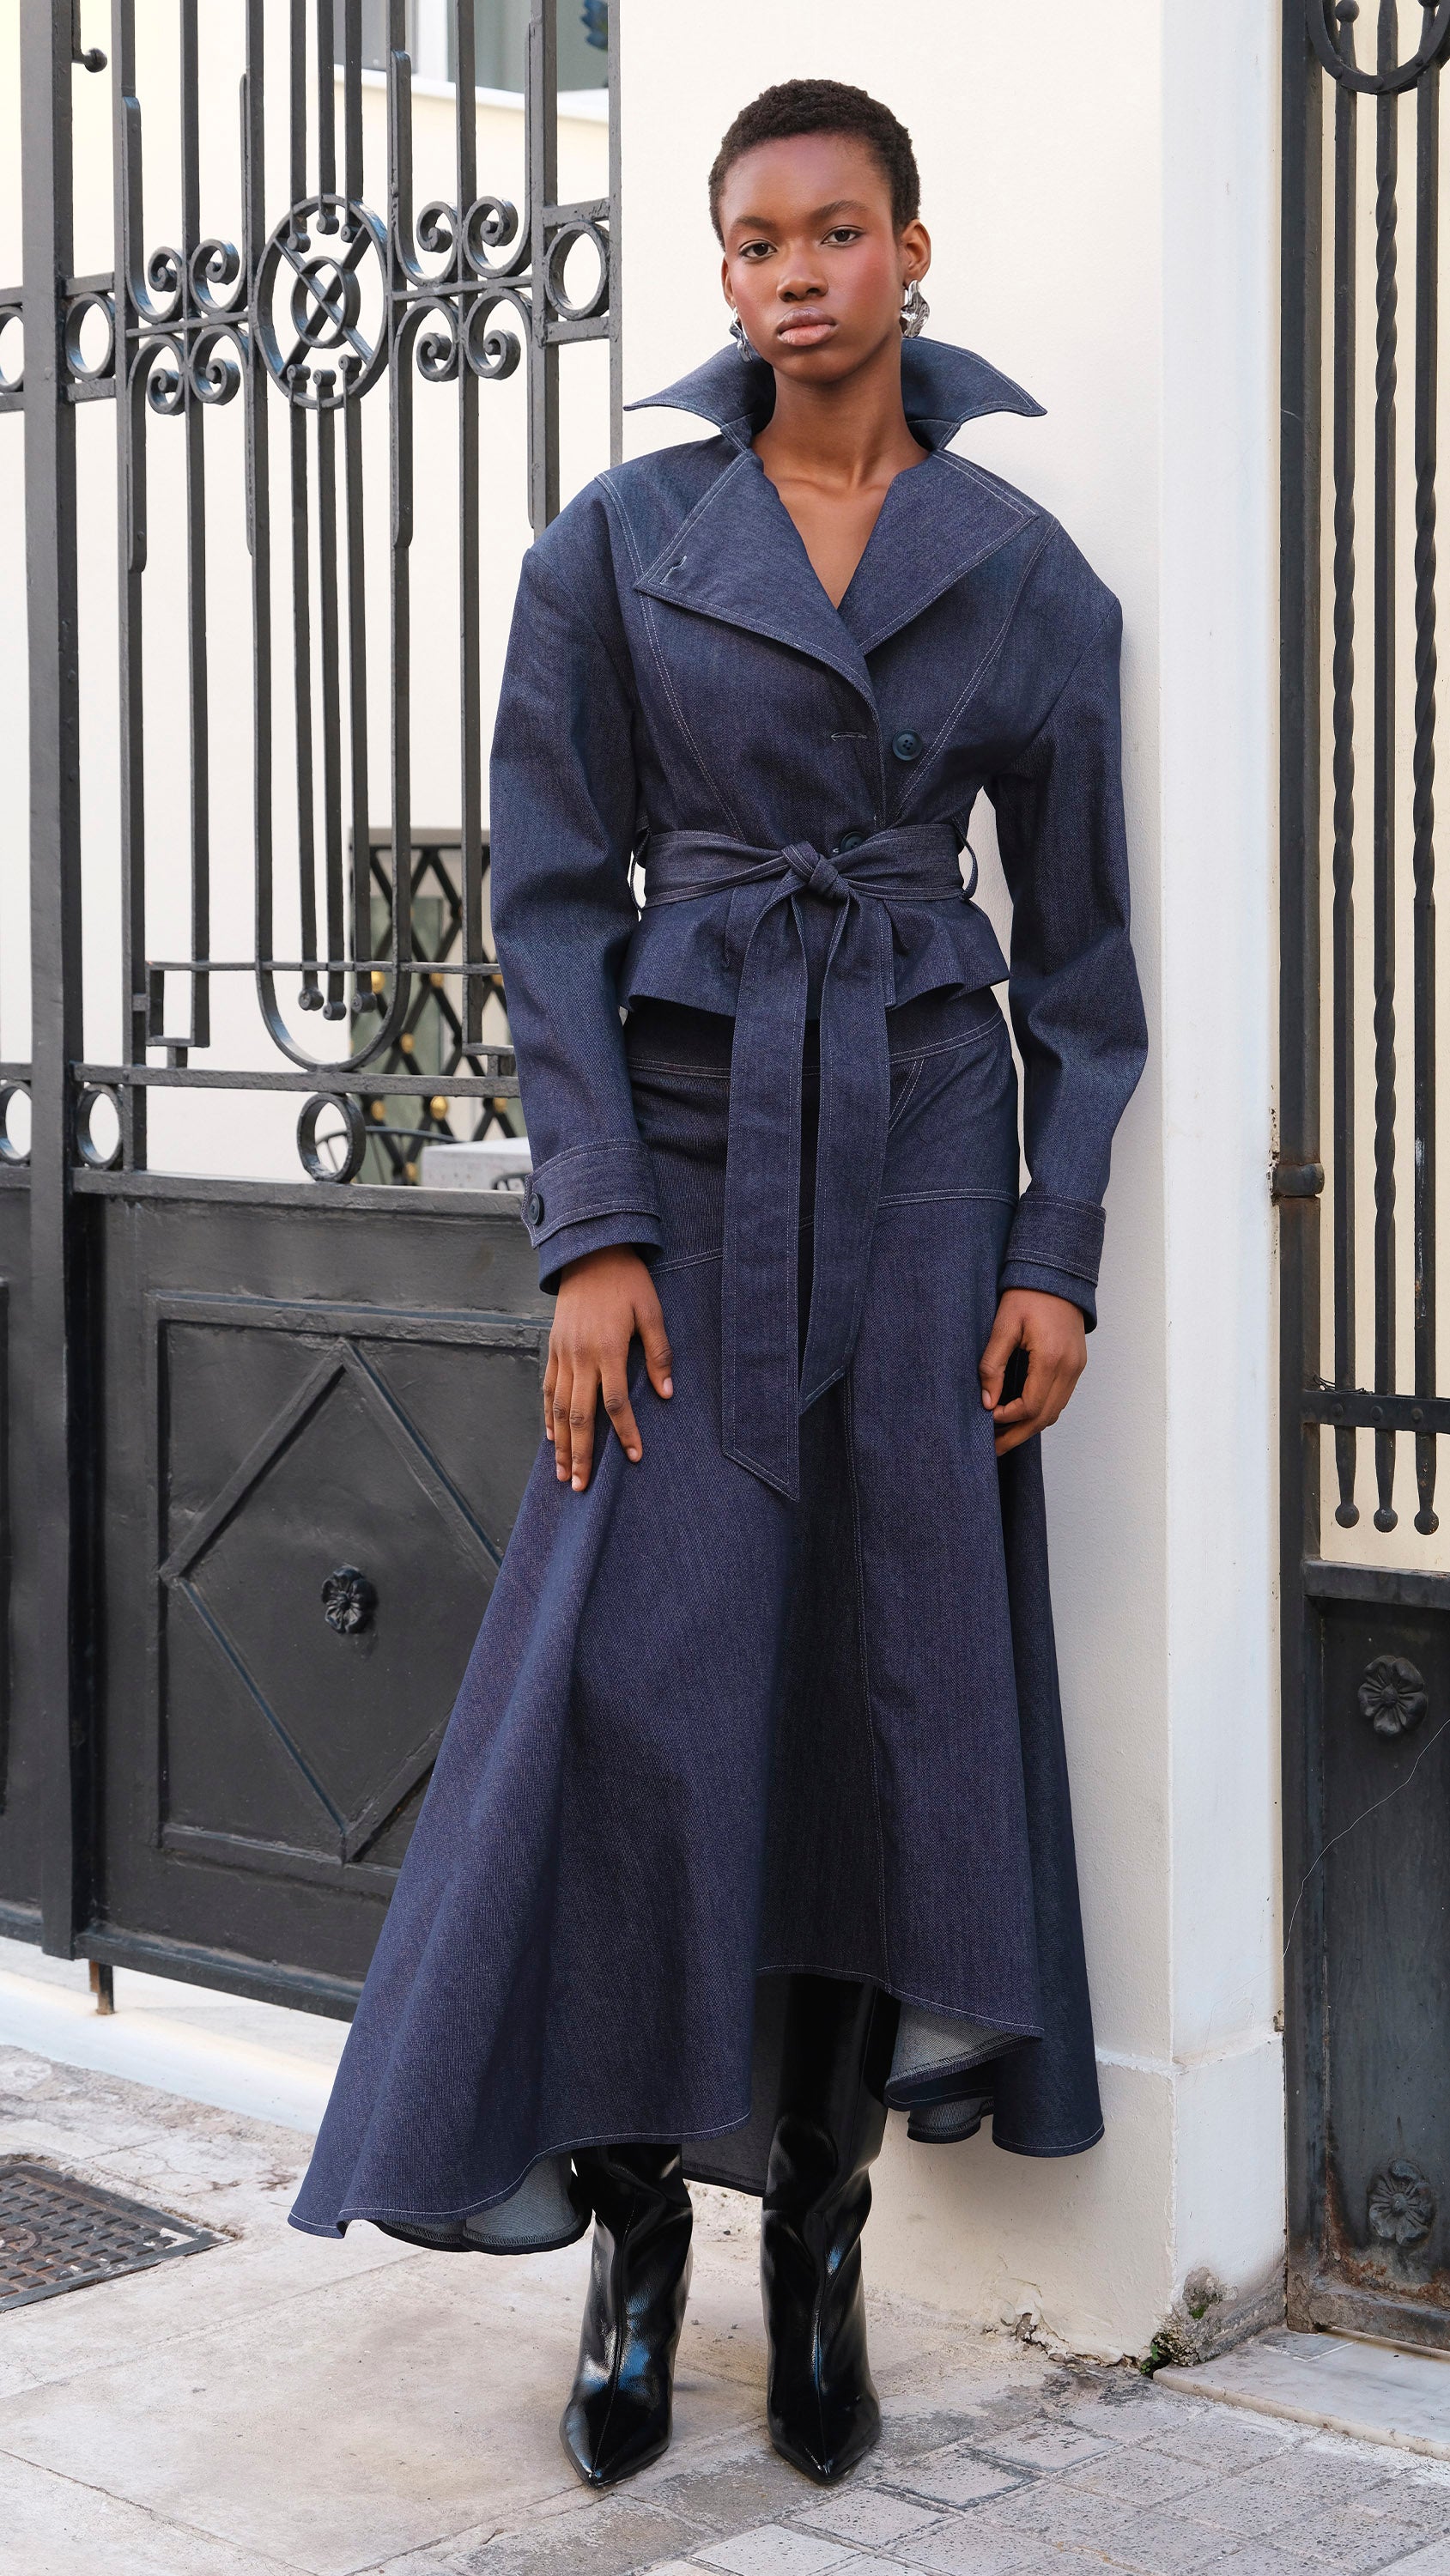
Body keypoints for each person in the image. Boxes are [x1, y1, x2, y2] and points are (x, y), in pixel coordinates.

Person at [292, 77, 1147, 2494]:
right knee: (639, 1708)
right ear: (724, 271)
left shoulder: (1026, 573)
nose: (792, 275)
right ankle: (639, 2241)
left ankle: (828, 2238)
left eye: (833, 232)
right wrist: (589, 1234)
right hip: (678, 1151)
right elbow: (550, 903)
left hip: (921, 1161)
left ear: (910, 250)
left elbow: (1085, 972)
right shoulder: (615, 543)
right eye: (754, 241)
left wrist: (1052, 1254)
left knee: (885, 1699)